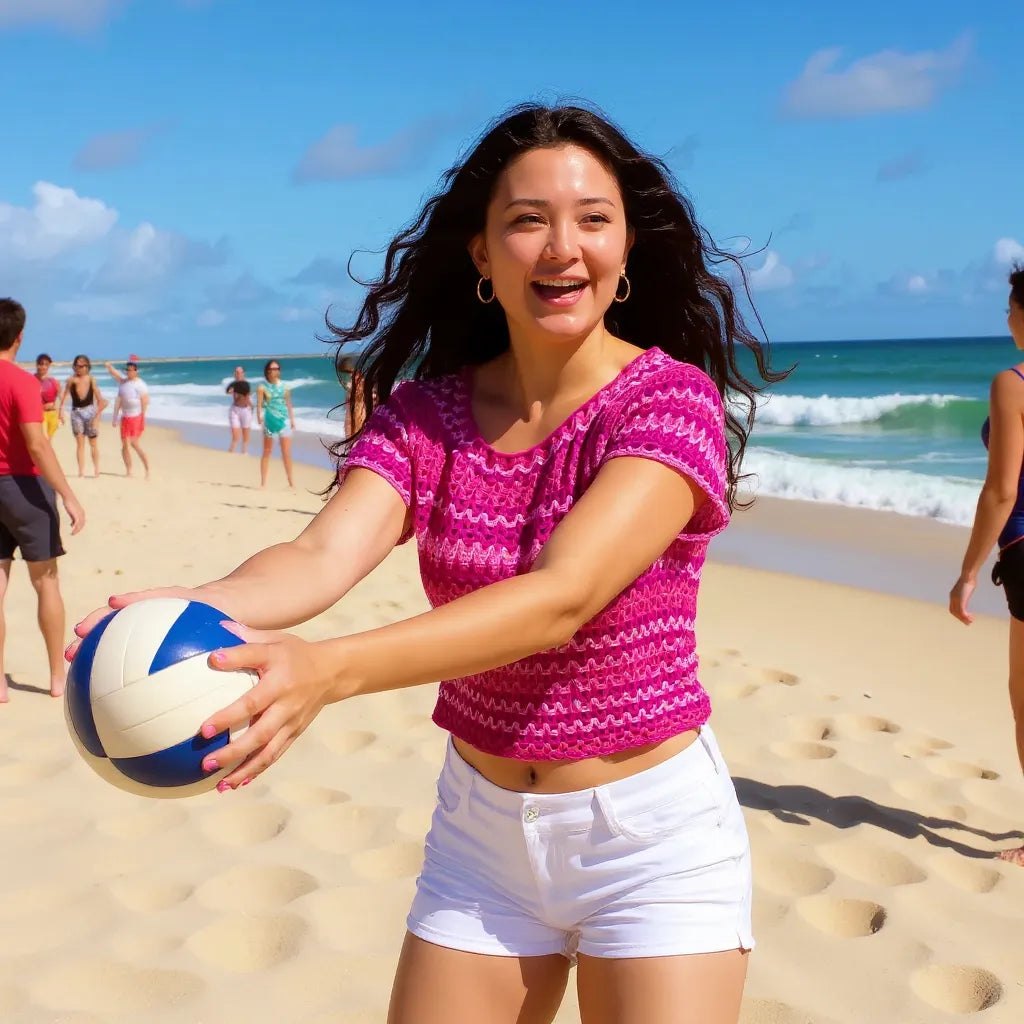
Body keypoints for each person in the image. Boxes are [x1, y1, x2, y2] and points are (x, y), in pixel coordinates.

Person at [71, 104, 785, 1023]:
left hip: (649, 839)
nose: (563, 247)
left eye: (593, 219)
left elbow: (561, 598)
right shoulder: (426, 417)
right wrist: (201, 606)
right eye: (527, 220)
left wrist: (327, 669)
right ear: (482, 254)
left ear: (627, 246)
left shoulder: (665, 402)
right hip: (482, 836)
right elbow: (323, 551)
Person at [950, 261, 1024, 867]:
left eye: (1010, 307)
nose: (1005, 318)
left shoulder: (1013, 382)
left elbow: (1001, 491)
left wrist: (970, 571)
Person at [0, 300, 85, 703]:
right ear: (20, 337)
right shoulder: (22, 382)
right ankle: (55, 677)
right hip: (25, 490)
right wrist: (69, 496)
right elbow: (37, 444)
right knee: (46, 582)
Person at [58, 355, 106, 478]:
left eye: (83, 365)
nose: (80, 368)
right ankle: (81, 472)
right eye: (78, 365)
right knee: (80, 443)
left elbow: (101, 400)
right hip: (76, 412)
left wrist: (97, 417)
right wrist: (60, 411)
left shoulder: (91, 379)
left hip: (90, 411)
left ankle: (96, 470)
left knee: (93, 443)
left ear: (87, 366)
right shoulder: (71, 380)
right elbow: (64, 396)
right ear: (74, 366)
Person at [105, 359, 150, 479]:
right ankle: (129, 470)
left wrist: (142, 418)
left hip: (136, 417)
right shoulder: (123, 383)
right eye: (128, 370)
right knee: (124, 444)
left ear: (136, 371)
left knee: (134, 443)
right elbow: (118, 400)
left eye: (131, 370)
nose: (129, 372)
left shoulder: (140, 385)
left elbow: (145, 401)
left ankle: (147, 468)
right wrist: (109, 367)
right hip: (125, 417)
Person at [256, 359, 295, 488]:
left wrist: (293, 420)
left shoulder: (285, 386)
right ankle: (263, 483)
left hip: (284, 422)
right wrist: (259, 416)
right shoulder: (262, 387)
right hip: (269, 422)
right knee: (267, 451)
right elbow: (260, 404)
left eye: (277, 368)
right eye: (272, 369)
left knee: (286, 452)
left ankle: (291, 482)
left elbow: (288, 404)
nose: (275, 371)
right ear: (267, 371)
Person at [226, 365, 253, 454]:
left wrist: (254, 408)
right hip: (235, 410)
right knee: (236, 436)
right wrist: (231, 390)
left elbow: (247, 396)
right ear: (234, 374)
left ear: (243, 373)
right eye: (236, 372)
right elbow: (228, 391)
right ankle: (230, 453)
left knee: (245, 436)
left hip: (246, 410)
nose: (238, 374)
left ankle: (244, 453)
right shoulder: (233, 384)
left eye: (240, 372)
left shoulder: (246, 384)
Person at [338, 355, 366, 438]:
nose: (350, 377)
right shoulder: (353, 388)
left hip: (358, 429)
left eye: (352, 374)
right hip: (352, 428)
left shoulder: (364, 389)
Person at [34, 354, 60, 438]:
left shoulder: (54, 381)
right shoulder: (31, 380)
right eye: (41, 364)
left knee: (48, 440)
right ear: (37, 364)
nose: (43, 367)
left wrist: (61, 414)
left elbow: (60, 398)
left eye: (46, 364)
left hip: (52, 414)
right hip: (40, 414)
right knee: (43, 439)